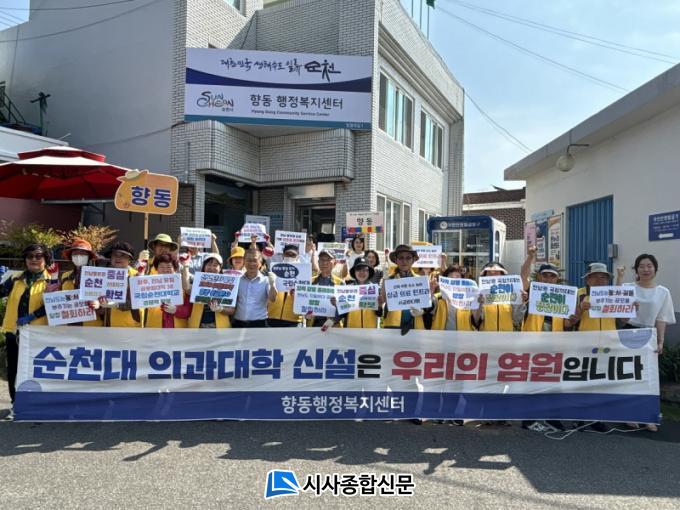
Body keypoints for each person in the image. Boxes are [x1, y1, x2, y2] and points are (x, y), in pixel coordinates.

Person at [619, 254, 675, 433]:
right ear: (636, 269)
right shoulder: (628, 288)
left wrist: (661, 341)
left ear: (655, 269)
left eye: (649, 266)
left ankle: (648, 416)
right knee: (629, 375)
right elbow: (620, 316)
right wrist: (628, 310)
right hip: (628, 331)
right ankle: (630, 414)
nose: (645, 269)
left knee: (648, 377)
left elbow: (661, 318)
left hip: (649, 334)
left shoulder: (663, 292)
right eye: (641, 266)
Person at [1, 244, 51, 403]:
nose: (34, 259)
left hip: (39, 333)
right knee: (14, 368)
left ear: (45, 259)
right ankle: (15, 403)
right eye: (30, 256)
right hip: (14, 332)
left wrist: (33, 315)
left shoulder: (52, 281)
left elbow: (54, 306)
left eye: (38, 256)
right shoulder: (15, 278)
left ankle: (35, 404)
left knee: (36, 369)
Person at [520, 247, 576, 332]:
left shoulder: (564, 296)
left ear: (557, 278)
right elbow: (523, 277)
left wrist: (571, 321)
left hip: (555, 337)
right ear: (539, 276)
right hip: (531, 337)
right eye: (545, 275)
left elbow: (566, 324)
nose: (548, 279)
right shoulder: (532, 289)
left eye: (552, 276)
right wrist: (530, 257)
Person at [381, 245, 431, 335]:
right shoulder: (389, 280)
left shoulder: (420, 280)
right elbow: (383, 300)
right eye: (401, 258)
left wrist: (423, 311)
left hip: (415, 326)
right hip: (393, 327)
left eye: (408, 258)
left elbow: (427, 305)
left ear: (413, 260)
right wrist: (384, 279)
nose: (404, 261)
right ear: (396, 260)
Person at [93, 241, 143, 328]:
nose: (118, 258)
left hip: (131, 328)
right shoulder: (103, 276)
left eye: (123, 255)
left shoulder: (137, 277)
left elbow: (138, 302)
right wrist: (98, 305)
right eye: (115, 255)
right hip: (109, 328)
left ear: (129, 259)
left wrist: (116, 304)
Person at [59, 238, 103, 327]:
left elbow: (107, 301)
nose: (79, 256)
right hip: (69, 325)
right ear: (71, 257)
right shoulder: (65, 276)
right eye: (75, 254)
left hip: (91, 326)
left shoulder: (99, 276)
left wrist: (99, 305)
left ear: (89, 257)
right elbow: (60, 299)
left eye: (83, 254)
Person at [230, 249, 277, 328]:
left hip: (259, 324)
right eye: (249, 260)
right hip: (238, 323)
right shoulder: (237, 280)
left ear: (260, 263)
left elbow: (272, 299)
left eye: (255, 260)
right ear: (244, 262)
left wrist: (273, 285)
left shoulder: (266, 280)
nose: (252, 263)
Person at [144, 253, 192, 328]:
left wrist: (176, 310)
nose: (165, 270)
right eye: (162, 267)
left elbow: (189, 311)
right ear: (156, 269)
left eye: (169, 267)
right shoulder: (148, 286)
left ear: (175, 269)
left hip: (178, 331)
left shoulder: (183, 286)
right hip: (154, 330)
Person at [474, 261, 524, 332]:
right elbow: (475, 321)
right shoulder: (478, 295)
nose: (493, 275)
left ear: (502, 275)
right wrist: (479, 304)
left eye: (497, 272)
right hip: (485, 337)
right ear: (484, 276)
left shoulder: (511, 294)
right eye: (489, 273)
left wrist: (521, 301)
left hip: (507, 337)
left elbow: (517, 320)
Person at [187, 253, 232, 329]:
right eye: (209, 264)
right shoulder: (197, 282)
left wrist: (221, 309)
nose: (211, 268)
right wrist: (185, 266)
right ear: (204, 266)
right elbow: (187, 288)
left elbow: (231, 310)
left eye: (215, 265)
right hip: (198, 326)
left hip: (220, 328)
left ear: (220, 268)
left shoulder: (228, 284)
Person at [307, 249, 346, 330]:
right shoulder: (310, 282)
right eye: (322, 260)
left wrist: (333, 320)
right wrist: (305, 313)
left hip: (334, 326)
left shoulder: (340, 283)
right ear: (318, 262)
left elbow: (344, 307)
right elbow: (304, 303)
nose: (325, 263)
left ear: (334, 263)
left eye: (328, 260)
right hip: (313, 325)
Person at [572, 262, 617, 331]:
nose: (599, 280)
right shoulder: (578, 294)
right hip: (585, 336)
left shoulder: (614, 295)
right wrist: (580, 308)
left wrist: (629, 312)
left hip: (610, 336)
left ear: (607, 280)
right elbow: (570, 321)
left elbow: (620, 322)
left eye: (603, 277)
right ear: (587, 279)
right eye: (594, 276)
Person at [430, 264, 477, 331]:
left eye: (457, 276)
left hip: (464, 336)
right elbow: (428, 308)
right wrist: (431, 292)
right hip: (440, 336)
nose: (454, 278)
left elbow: (476, 319)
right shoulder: (439, 297)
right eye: (451, 276)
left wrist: (479, 302)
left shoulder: (468, 298)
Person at [268, 244, 303, 328]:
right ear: (283, 255)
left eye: (293, 255)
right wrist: (272, 284)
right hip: (272, 317)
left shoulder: (303, 274)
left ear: (297, 257)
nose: (290, 256)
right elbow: (269, 297)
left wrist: (297, 297)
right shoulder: (275, 270)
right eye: (287, 254)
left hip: (294, 320)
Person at [345, 257, 381, 329]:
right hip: (351, 332)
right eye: (358, 269)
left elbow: (379, 314)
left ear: (369, 272)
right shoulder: (347, 289)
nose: (362, 272)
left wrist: (380, 306)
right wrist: (337, 304)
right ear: (354, 272)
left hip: (370, 332)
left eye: (365, 269)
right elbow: (343, 315)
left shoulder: (376, 289)